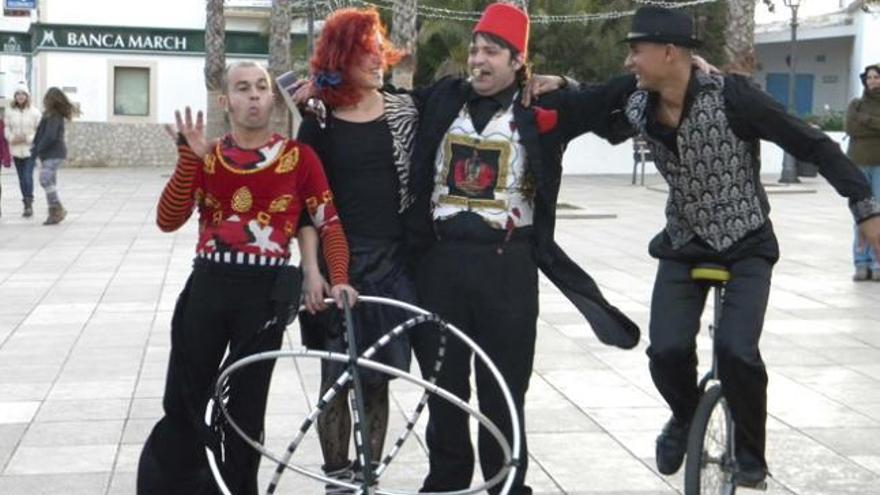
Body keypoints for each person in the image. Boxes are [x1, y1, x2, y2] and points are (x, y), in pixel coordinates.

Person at [618, 6, 880, 487]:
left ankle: (749, 452)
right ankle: (685, 414)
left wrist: (866, 210)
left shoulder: (735, 97)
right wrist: (549, 84)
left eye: (637, 51)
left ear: (669, 52)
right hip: (684, 240)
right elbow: (582, 106)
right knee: (666, 350)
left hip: (746, 242)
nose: (630, 61)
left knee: (738, 351)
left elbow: (814, 144)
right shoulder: (637, 102)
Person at [402, 4, 641, 494]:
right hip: (441, 264)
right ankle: (446, 481)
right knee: (443, 385)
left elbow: (617, 93)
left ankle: (505, 484)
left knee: (503, 389)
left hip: (507, 267)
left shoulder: (540, 107)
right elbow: (378, 102)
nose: (478, 59)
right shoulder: (444, 98)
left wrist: (569, 83)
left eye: (491, 51)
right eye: (474, 49)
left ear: (517, 60)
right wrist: (320, 91)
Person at [136, 61, 357, 495]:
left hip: (264, 298)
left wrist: (339, 277)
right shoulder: (208, 154)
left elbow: (327, 222)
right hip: (208, 288)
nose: (254, 95)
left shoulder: (299, 158)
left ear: (272, 97)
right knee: (183, 398)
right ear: (226, 102)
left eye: (261, 87)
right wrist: (188, 160)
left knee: (246, 410)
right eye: (242, 88)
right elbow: (167, 220)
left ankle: (238, 489)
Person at [280, 8, 420, 492]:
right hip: (337, 260)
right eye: (365, 52)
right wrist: (310, 272)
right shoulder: (319, 120)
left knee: (378, 378)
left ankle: (369, 478)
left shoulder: (404, 110)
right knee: (335, 378)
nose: (377, 59)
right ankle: (337, 479)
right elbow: (303, 208)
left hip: (392, 262)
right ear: (343, 56)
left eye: (379, 48)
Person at [845, 63, 880, 281]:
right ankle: (861, 262)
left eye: (876, 77)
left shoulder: (861, 113)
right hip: (858, 164)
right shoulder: (856, 105)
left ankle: (877, 263)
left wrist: (866, 121)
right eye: (869, 78)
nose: (873, 81)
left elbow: (860, 126)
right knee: (862, 214)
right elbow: (850, 128)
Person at [31, 87, 74, 225]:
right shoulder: (49, 114)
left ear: (52, 100)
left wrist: (38, 148)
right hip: (50, 154)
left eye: (47, 99)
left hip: (54, 153)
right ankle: (54, 212)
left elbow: (50, 136)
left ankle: (57, 208)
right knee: (50, 182)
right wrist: (35, 145)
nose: (45, 101)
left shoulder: (54, 116)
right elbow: (41, 133)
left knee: (45, 180)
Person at [6, 83, 42, 218]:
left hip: (29, 150)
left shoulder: (35, 112)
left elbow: (40, 131)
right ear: (15, 97)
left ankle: (29, 203)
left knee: (27, 176)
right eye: (18, 94)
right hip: (15, 149)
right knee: (21, 179)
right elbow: (6, 128)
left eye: (23, 94)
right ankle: (26, 203)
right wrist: (11, 137)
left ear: (27, 96)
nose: (20, 96)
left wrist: (28, 138)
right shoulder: (9, 111)